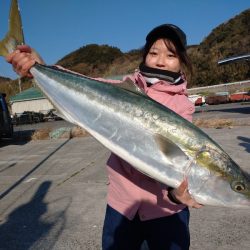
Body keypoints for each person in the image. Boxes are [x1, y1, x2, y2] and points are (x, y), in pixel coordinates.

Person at [6, 24, 202, 250]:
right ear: (145, 55)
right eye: (153, 53)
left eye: (171, 55)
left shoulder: (182, 106)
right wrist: (40, 66)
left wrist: (176, 195)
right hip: (122, 206)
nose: (160, 61)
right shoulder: (127, 86)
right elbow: (89, 85)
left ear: (182, 61)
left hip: (165, 211)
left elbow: (177, 161)